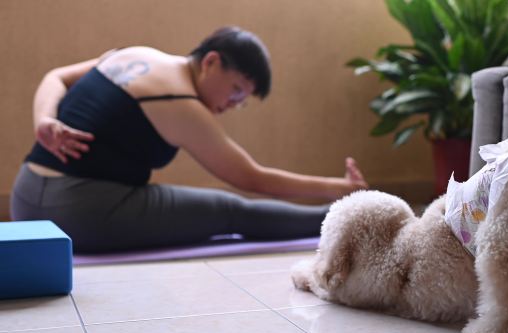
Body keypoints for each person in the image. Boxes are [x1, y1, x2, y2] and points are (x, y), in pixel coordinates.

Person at [10, 26, 368, 253]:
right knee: (230, 211)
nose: (232, 105)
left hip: (25, 198)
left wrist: (45, 119)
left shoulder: (136, 54)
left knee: (220, 206)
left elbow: (55, 77)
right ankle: (341, 218)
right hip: (77, 212)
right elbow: (251, 178)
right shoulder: (178, 100)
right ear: (211, 62)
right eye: (235, 90)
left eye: (241, 102)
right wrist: (337, 188)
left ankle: (337, 213)